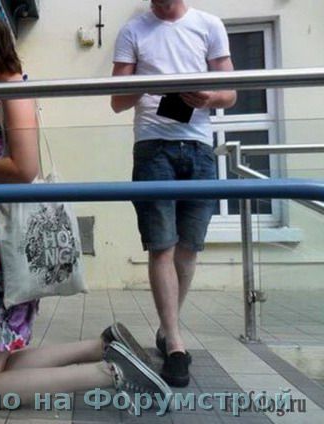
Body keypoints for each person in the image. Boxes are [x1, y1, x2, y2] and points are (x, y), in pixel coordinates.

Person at [0, 9, 172, 409]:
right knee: (0, 362)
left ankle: (110, 371)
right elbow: (4, 159)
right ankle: (102, 346)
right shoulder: (9, 94)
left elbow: (24, 170)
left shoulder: (14, 95)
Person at [110, 0, 237, 387]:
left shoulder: (209, 24)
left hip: (199, 146)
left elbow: (230, 92)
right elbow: (116, 100)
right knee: (162, 245)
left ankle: (168, 330)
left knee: (189, 248)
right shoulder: (133, 30)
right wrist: (148, 84)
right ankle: (176, 343)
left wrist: (208, 97)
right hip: (153, 147)